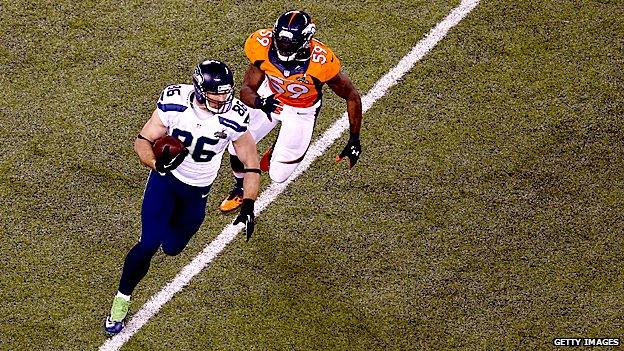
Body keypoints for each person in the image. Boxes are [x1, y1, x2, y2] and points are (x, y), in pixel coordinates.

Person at [104, 59, 261, 336]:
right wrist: (155, 163)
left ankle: (166, 234)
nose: (222, 99)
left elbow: (250, 159)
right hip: (165, 183)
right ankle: (121, 300)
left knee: (173, 248)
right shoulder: (175, 101)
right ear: (200, 90)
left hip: (197, 192)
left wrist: (249, 201)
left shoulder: (234, 116)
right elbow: (143, 139)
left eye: (226, 93)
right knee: (148, 243)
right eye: (216, 94)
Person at [219, 10, 363, 212]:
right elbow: (247, 89)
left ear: (305, 40)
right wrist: (261, 102)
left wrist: (354, 138)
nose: (284, 47)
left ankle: (277, 149)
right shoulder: (261, 46)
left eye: (290, 43)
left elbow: (351, 96)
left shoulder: (320, 63)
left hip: (301, 111)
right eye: (281, 41)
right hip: (271, 98)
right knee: (235, 146)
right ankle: (240, 188)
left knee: (278, 175)